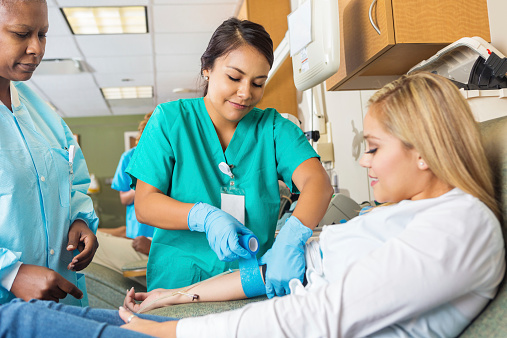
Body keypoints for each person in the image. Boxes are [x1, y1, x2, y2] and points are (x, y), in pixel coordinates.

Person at [125, 17, 333, 297]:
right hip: (177, 287)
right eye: (234, 78)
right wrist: (203, 216)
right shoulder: (170, 121)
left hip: (253, 283)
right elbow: (145, 204)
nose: (246, 93)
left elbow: (317, 183)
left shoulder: (273, 129)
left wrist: (292, 237)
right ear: (207, 68)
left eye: (258, 83)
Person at [0, 0, 99, 307]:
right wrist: (9, 274)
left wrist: (79, 222)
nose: (37, 49)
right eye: (21, 34)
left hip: (61, 306)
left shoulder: (42, 112)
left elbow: (74, 182)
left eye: (42, 34)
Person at [93, 112, 155, 284]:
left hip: (165, 233)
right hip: (139, 229)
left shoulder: (175, 158)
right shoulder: (129, 158)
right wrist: (149, 185)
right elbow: (124, 199)